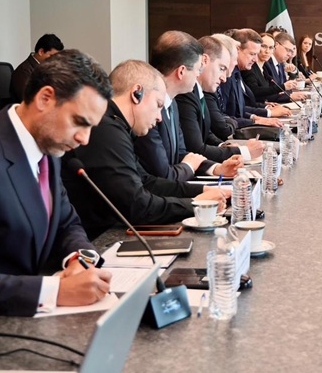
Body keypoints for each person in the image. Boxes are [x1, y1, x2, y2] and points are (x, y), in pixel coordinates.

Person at [0, 50, 112, 317]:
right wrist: (55, 291)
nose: (85, 139)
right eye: (79, 122)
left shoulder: (48, 147)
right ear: (45, 98)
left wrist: (80, 259)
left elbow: (67, 224)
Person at [62, 60, 226, 239]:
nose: (159, 118)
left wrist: (204, 190)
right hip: (97, 239)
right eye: (158, 105)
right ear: (136, 93)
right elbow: (138, 206)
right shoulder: (107, 130)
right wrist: (195, 204)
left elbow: (147, 182)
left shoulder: (118, 126)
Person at [134, 31, 244, 181]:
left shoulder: (172, 102)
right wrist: (203, 186)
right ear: (181, 72)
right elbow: (163, 174)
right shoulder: (149, 111)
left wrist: (216, 168)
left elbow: (181, 153)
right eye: (198, 69)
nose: (198, 75)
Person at [175, 35, 264, 162]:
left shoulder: (199, 91)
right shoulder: (186, 94)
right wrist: (244, 152)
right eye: (222, 69)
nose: (224, 78)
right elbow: (196, 148)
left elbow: (206, 133)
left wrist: (223, 145)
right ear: (204, 60)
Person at [218, 28, 284, 129]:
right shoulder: (227, 76)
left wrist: (257, 117)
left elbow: (239, 109)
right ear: (237, 50)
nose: (255, 59)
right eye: (252, 54)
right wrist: (258, 119)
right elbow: (225, 114)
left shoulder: (237, 72)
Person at [10, 34, 64, 103]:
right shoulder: (23, 71)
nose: (54, 60)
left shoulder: (46, 68)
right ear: (41, 52)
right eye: (51, 55)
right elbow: (29, 99)